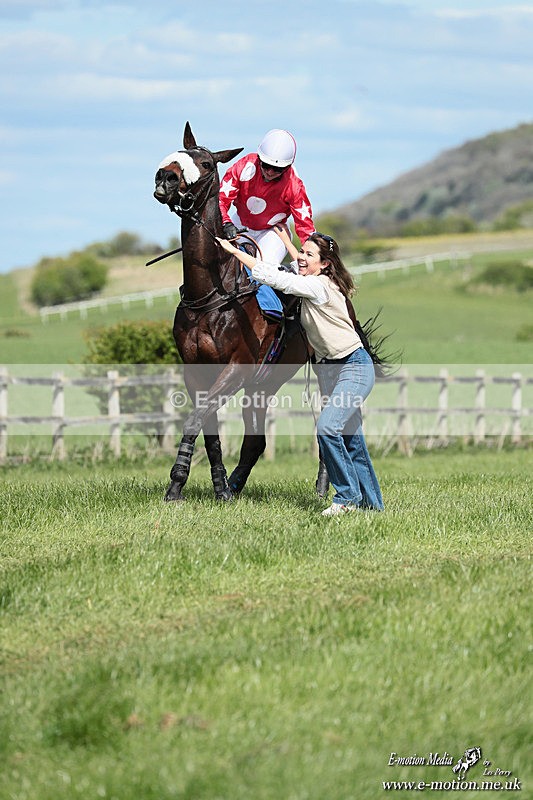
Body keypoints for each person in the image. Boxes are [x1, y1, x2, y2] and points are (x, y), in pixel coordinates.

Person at [216, 226, 384, 516]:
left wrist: (235, 252)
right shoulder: (317, 279)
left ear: (325, 264)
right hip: (332, 370)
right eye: (301, 252)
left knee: (328, 428)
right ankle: (372, 506)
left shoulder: (319, 287)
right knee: (350, 438)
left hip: (352, 368)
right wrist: (286, 241)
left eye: (308, 255)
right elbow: (301, 268)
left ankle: (346, 498)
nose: (301, 258)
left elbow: (279, 278)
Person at [219, 129, 315, 264]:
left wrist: (314, 254)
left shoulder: (294, 186)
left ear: (287, 167)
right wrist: (226, 222)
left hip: (273, 231)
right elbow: (221, 199)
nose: (270, 172)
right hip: (239, 222)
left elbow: (305, 226)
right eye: (266, 165)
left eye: (277, 169)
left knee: (265, 270)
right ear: (259, 159)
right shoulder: (243, 167)